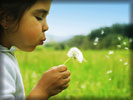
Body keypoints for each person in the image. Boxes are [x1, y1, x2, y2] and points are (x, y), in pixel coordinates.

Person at [0, 0, 71, 100]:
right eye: (39, 17)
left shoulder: (6, 54)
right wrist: (42, 91)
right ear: (6, 18)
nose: (46, 27)